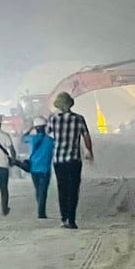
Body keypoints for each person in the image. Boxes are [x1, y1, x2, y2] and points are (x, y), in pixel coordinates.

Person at [45, 92, 94, 229]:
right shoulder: (79, 118)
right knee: (73, 189)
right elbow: (86, 136)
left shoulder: (53, 119)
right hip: (74, 159)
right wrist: (89, 151)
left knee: (62, 189)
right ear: (70, 104)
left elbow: (48, 135)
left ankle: (64, 218)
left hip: (59, 159)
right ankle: (71, 219)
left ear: (58, 105)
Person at [21, 116, 54, 219]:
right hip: (45, 169)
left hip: (34, 169)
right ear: (45, 127)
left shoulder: (32, 139)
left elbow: (23, 137)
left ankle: (40, 209)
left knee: (38, 190)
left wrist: (30, 128)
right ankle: (41, 212)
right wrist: (49, 131)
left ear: (35, 128)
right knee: (43, 190)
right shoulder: (51, 140)